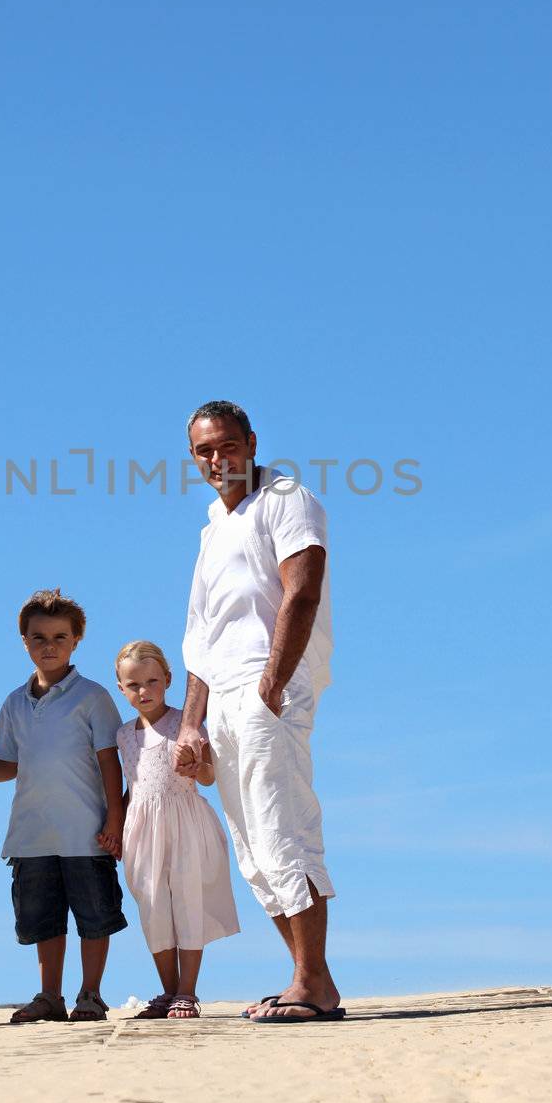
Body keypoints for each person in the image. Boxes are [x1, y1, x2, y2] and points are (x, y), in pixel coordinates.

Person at [177, 400, 343, 1024]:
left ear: (250, 442)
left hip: (268, 688)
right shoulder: (212, 528)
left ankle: (314, 983)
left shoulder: (287, 498)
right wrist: (191, 722)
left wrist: (272, 686)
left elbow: (302, 591)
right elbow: (200, 636)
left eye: (226, 445)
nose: (217, 459)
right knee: (251, 847)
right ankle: (310, 979)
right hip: (220, 696)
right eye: (203, 451)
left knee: (284, 827)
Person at [0, 589, 127, 1023]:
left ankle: (91, 994)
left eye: (60, 637)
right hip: (31, 833)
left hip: (87, 831)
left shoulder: (93, 697)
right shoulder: (13, 703)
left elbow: (110, 762)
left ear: (76, 641)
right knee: (44, 919)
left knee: (94, 915)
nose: (49, 646)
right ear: (24, 641)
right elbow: (8, 764)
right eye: (39, 637)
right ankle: (49, 996)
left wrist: (115, 818)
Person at [114, 640, 239, 1020]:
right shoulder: (123, 735)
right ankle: (168, 990)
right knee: (153, 907)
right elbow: (131, 785)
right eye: (133, 685)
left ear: (168, 680)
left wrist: (195, 766)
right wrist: (115, 826)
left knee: (187, 901)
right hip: (142, 830)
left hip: (185, 824)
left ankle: (187, 991)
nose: (144, 691)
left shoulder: (186, 724)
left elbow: (208, 775)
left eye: (152, 681)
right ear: (121, 689)